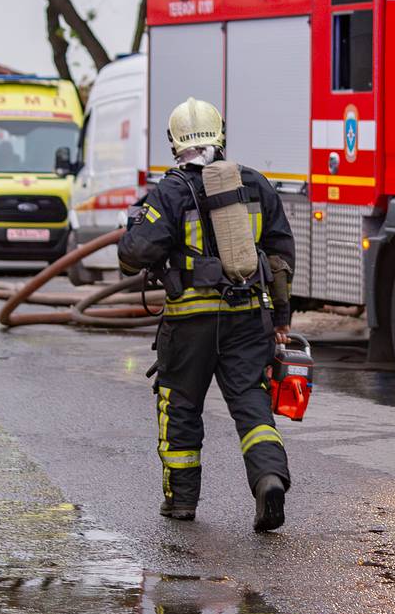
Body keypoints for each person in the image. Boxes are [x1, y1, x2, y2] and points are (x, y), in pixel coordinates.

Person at [118, 98, 296, 532]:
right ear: (221, 135)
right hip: (248, 316)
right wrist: (282, 317)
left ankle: (181, 501)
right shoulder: (254, 183)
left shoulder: (171, 190)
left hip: (190, 322)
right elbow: (279, 255)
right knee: (251, 401)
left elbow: (136, 252)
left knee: (179, 404)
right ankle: (269, 478)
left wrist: (134, 229)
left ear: (174, 142)